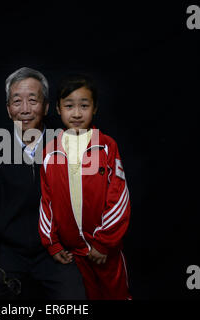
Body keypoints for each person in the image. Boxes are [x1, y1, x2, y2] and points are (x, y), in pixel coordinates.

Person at [0, 67, 86, 300]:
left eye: (33, 100)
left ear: (46, 106)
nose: (24, 110)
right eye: (16, 101)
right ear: (8, 108)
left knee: (76, 298)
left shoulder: (68, 145)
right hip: (7, 253)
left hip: (56, 251)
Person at [38, 74, 132, 299]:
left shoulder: (107, 146)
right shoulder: (50, 151)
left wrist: (103, 243)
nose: (77, 113)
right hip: (74, 252)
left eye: (84, 106)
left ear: (95, 108)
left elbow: (119, 197)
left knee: (116, 294)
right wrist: (53, 244)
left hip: (105, 249)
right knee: (86, 298)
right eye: (69, 106)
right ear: (59, 110)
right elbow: (46, 201)